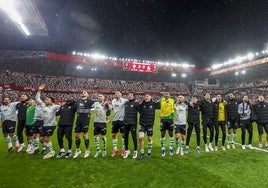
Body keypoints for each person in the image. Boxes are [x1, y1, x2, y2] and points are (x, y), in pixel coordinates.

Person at [36, 84, 60, 159]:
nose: (45, 100)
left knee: (46, 139)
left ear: (51, 101)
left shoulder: (55, 107)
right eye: (45, 99)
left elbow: (62, 108)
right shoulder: (43, 105)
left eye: (47, 99)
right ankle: (48, 149)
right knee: (41, 139)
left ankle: (51, 152)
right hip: (44, 124)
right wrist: (39, 90)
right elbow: (37, 98)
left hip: (51, 125)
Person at [73, 90, 95, 159]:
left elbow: (98, 104)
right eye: (82, 92)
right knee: (76, 135)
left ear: (88, 95)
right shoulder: (78, 101)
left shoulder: (90, 101)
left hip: (86, 120)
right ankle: (78, 150)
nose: (83, 93)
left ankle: (87, 150)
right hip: (78, 120)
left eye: (85, 92)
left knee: (84, 135)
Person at [156, 92, 176, 156]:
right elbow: (155, 102)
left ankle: (171, 147)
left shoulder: (173, 100)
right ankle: (163, 148)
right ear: (163, 95)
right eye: (165, 94)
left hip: (170, 119)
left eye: (168, 94)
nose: (166, 95)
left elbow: (180, 101)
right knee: (162, 133)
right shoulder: (161, 100)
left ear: (170, 95)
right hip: (163, 119)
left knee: (171, 133)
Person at [138, 94, 157, 160]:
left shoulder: (154, 104)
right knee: (140, 138)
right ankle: (142, 153)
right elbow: (138, 109)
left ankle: (149, 152)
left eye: (148, 96)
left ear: (151, 97)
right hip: (142, 124)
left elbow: (162, 105)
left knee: (149, 138)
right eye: (145, 96)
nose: (146, 97)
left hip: (150, 124)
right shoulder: (142, 104)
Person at [111, 91, 128, 157]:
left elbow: (131, 100)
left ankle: (123, 149)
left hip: (122, 120)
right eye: (115, 93)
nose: (116, 94)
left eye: (118, 93)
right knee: (113, 134)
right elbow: (111, 108)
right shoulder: (113, 101)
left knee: (123, 135)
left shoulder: (124, 100)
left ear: (121, 94)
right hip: (115, 120)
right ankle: (115, 149)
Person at [123, 92, 139, 159]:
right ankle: (127, 150)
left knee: (134, 137)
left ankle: (135, 151)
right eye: (128, 95)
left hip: (133, 123)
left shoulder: (136, 103)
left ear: (134, 96)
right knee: (125, 137)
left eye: (131, 95)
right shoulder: (126, 103)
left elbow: (141, 110)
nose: (130, 96)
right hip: (126, 123)